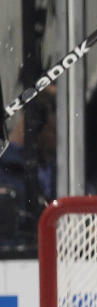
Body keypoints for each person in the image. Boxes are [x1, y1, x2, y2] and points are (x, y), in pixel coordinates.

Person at [0, 88, 57, 254]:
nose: (57, 142)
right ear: (35, 124)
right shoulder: (6, 167)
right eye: (54, 132)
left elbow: (84, 200)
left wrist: (94, 222)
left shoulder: (57, 173)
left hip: (40, 261)